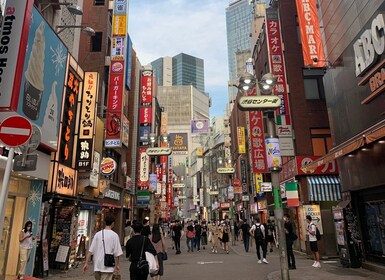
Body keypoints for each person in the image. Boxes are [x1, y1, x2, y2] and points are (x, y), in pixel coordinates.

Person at [83, 215, 123, 280]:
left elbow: (90, 250)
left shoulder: (98, 234)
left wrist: (86, 263)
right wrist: (117, 264)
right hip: (108, 266)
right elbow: (117, 253)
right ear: (113, 223)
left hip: (97, 265)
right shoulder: (114, 235)